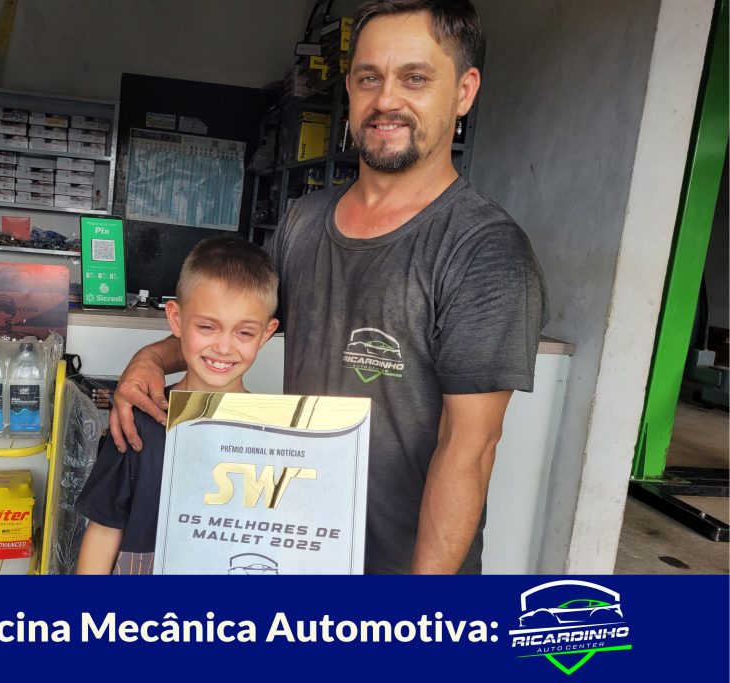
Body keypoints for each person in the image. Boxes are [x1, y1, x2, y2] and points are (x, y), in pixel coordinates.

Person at [109, 0, 548, 574]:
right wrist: (151, 358)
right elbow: (240, 321)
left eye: (415, 78)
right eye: (369, 78)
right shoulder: (305, 221)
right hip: (296, 551)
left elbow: (470, 450)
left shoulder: (484, 249)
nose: (386, 100)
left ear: (464, 91)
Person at [75, 236, 280, 574]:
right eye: (207, 327)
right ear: (175, 319)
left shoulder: (277, 435)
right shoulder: (137, 422)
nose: (224, 347)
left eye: (244, 332)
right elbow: (105, 529)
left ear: (266, 334)